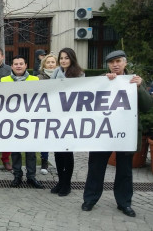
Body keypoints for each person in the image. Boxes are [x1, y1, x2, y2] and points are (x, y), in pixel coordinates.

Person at [82, 50, 153, 217]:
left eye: (118, 61)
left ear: (125, 63)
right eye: (112, 62)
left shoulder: (134, 81)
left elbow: (147, 106)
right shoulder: (102, 79)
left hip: (125, 133)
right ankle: (90, 199)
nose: (115, 65)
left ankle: (124, 203)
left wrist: (139, 88)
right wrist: (103, 82)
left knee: (125, 170)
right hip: (103, 132)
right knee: (96, 167)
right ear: (108, 65)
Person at [1, 55, 44, 189]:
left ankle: (31, 176)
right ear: (12, 66)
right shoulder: (3, 80)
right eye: (16, 64)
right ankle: (17, 175)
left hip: (30, 120)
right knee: (15, 151)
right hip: (13, 121)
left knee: (31, 151)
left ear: (26, 65)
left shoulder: (35, 79)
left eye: (21, 63)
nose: (18, 66)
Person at [49, 48, 84, 196]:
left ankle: (67, 184)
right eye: (61, 58)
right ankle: (60, 181)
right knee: (58, 152)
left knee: (67, 152)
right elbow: (49, 90)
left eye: (66, 58)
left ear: (72, 59)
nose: (63, 61)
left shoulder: (79, 74)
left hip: (70, 117)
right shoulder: (56, 73)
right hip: (57, 117)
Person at [36, 53, 58, 175]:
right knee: (44, 137)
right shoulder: (39, 78)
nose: (50, 64)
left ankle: (59, 162)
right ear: (44, 64)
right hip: (44, 111)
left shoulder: (63, 77)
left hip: (58, 112)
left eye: (53, 62)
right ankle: (44, 160)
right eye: (48, 62)